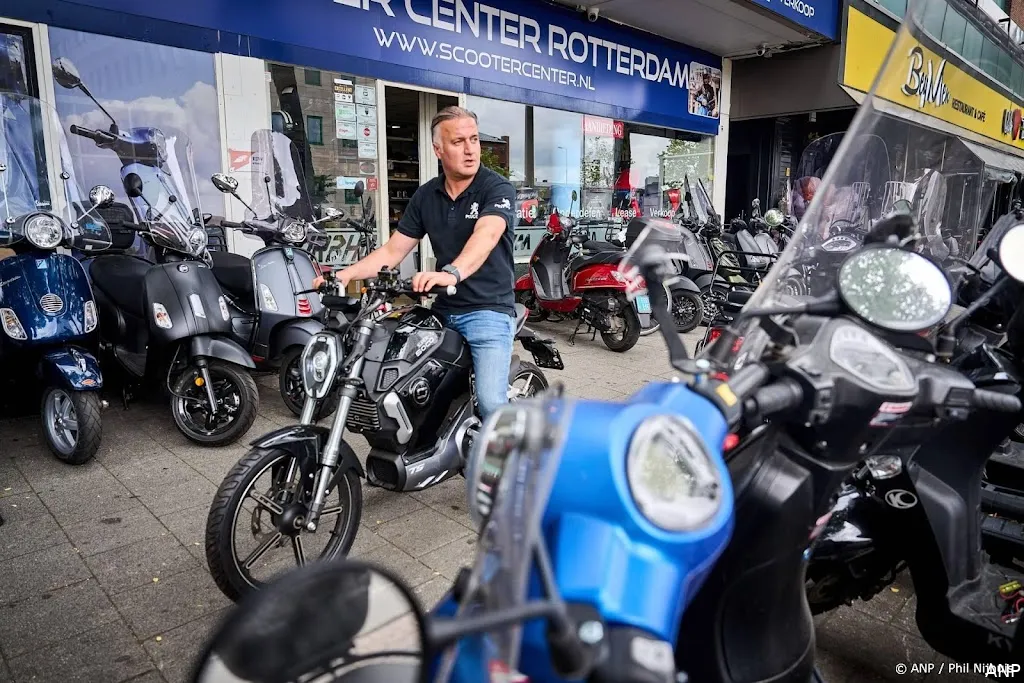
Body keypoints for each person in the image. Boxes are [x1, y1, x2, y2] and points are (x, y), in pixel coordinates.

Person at [313, 105, 517, 420]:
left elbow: (486, 235)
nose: (470, 149)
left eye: (474, 139)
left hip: (488, 311)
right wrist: (343, 275)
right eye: (458, 141)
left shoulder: (496, 188)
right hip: (443, 310)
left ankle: (514, 448)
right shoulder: (426, 196)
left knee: (491, 403)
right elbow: (393, 251)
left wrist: (451, 273)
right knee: (411, 390)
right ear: (438, 149)